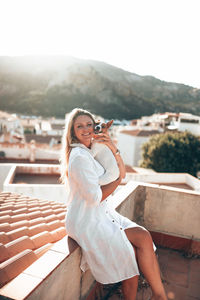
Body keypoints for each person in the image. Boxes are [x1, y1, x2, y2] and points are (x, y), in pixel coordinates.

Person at [60, 108, 167, 300]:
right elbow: (95, 197)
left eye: (89, 124)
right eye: (79, 126)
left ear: (95, 126)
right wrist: (116, 182)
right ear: (72, 132)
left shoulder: (92, 149)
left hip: (101, 213)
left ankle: (160, 295)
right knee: (130, 256)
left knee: (143, 236)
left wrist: (111, 147)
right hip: (86, 219)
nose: (85, 129)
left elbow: (122, 173)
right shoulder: (79, 158)